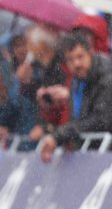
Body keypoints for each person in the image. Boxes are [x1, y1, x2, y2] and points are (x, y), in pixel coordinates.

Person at [39, 31, 112, 163]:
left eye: (80, 57)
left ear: (90, 53)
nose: (77, 64)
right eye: (70, 59)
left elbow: (101, 120)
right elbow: (77, 120)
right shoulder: (76, 81)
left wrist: (59, 136)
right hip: (91, 154)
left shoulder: (107, 76)